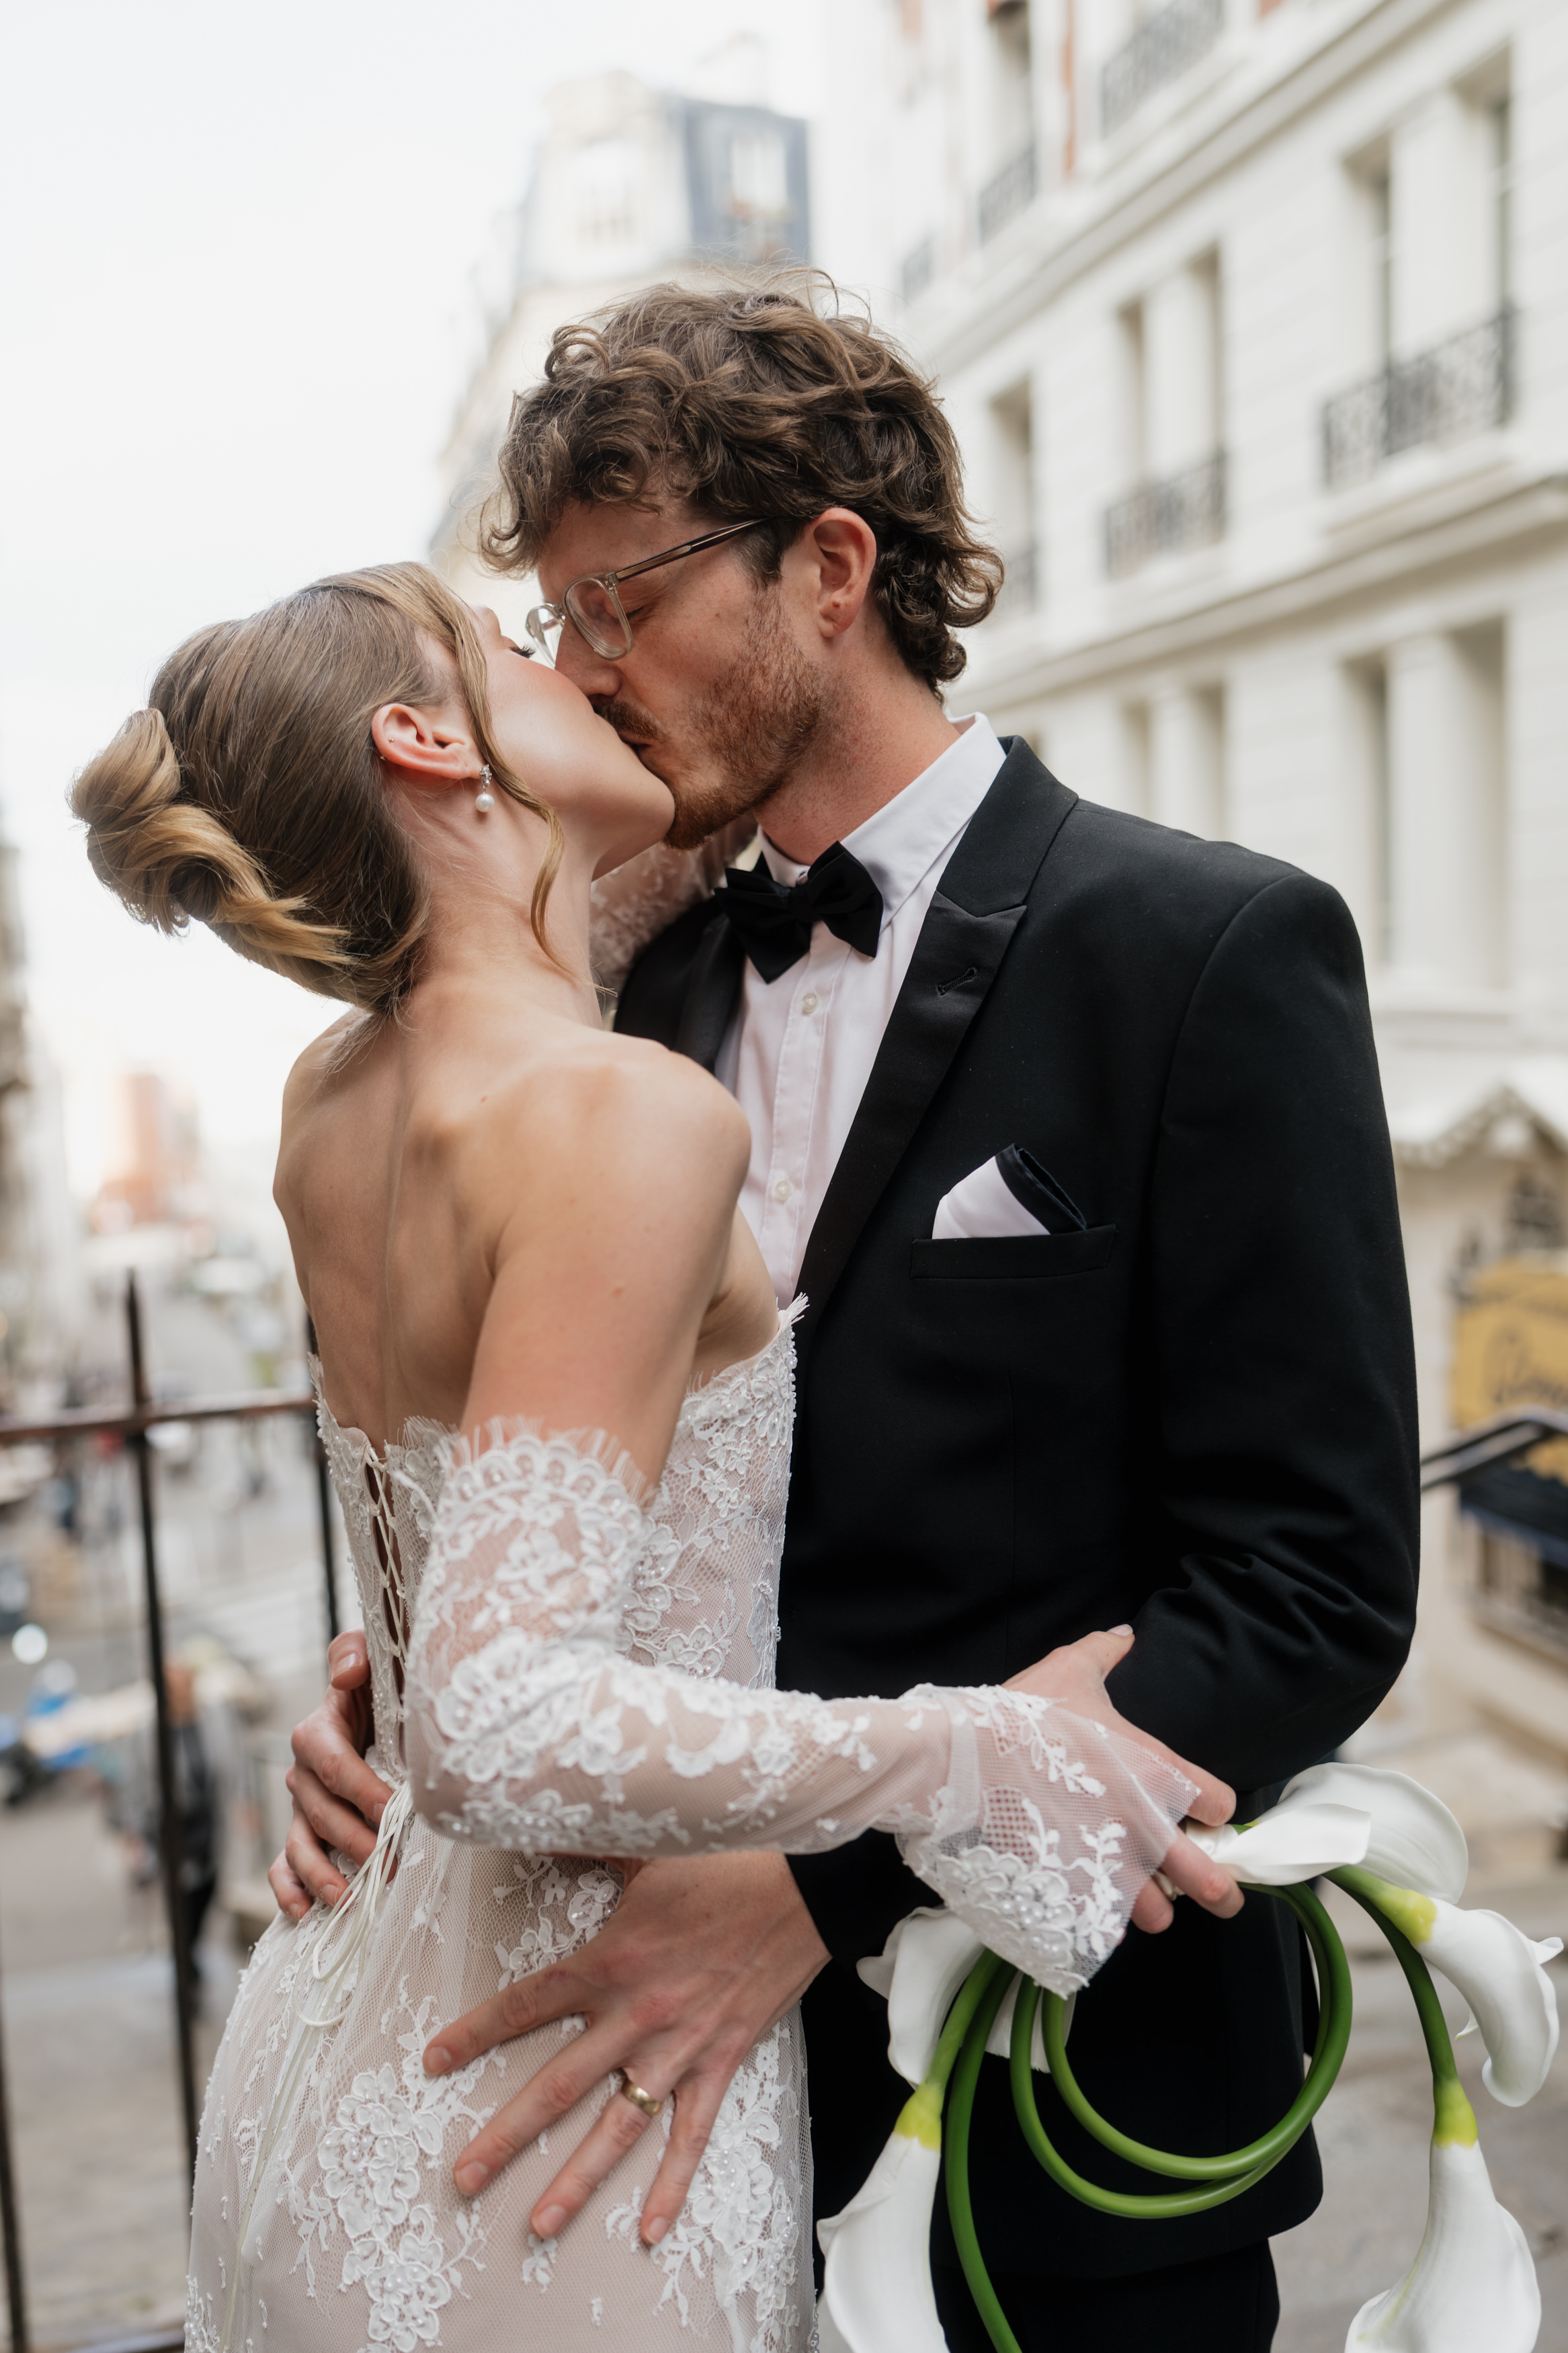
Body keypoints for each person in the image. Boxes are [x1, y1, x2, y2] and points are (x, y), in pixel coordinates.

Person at [282, 276, 1421, 2352]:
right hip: (650, 2134)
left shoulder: (1212, 948)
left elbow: (1314, 1585)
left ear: (832, 568)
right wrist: (380, 1681)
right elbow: (587, 1464)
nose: (589, 674)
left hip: (1060, 2128)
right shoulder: (621, 985)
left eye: (623, 602)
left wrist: (819, 1888)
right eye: (552, 628)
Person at [71, 560, 1241, 2353]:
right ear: (425, 735)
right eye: (533, 643)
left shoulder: (334, 1093)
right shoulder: (615, 1108)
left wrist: (377, 1674)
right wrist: (978, 1750)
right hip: (568, 2115)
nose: (589, 673)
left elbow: (452, 1535)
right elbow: (499, 1716)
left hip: (340, 2053)